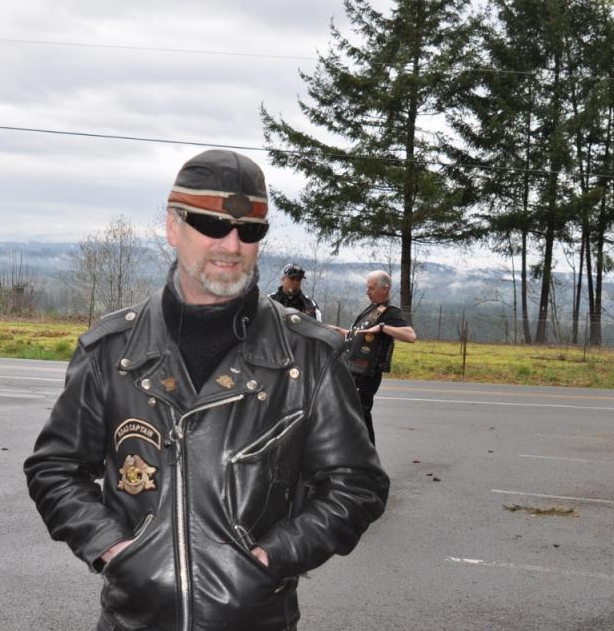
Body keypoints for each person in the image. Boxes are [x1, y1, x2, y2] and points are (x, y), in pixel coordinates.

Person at [24, 149, 388, 631]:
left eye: (250, 230)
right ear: (173, 227)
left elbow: (357, 484)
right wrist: (113, 548)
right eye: (212, 225)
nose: (232, 245)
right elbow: (55, 468)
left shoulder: (308, 357)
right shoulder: (111, 351)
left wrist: (274, 556)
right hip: (133, 620)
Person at [331, 270, 416, 444]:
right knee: (355, 414)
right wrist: (340, 331)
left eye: (371, 288)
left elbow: (410, 336)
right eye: (367, 288)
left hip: (366, 374)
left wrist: (383, 327)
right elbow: (361, 336)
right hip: (353, 369)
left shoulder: (390, 312)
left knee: (360, 414)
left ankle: (368, 455)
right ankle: (360, 454)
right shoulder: (372, 309)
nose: (367, 292)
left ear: (385, 289)